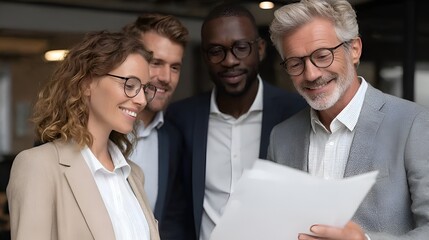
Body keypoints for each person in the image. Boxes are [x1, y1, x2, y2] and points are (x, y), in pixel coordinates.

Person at [268, 0, 429, 239]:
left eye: (322, 56)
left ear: (354, 50)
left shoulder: (412, 123)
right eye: (295, 63)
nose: (311, 74)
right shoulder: (281, 137)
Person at [166, 4, 307, 240]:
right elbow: (175, 209)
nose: (229, 61)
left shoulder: (296, 113)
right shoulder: (181, 118)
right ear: (205, 57)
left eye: (241, 48)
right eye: (216, 51)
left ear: (260, 49)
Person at [7, 30, 160, 240]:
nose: (142, 100)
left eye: (144, 88)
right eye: (130, 85)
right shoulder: (39, 167)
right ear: (86, 83)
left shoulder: (133, 175)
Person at [122, 13, 193, 239]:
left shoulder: (173, 138)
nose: (166, 77)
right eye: (156, 63)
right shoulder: (95, 129)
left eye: (175, 67)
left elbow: (171, 220)